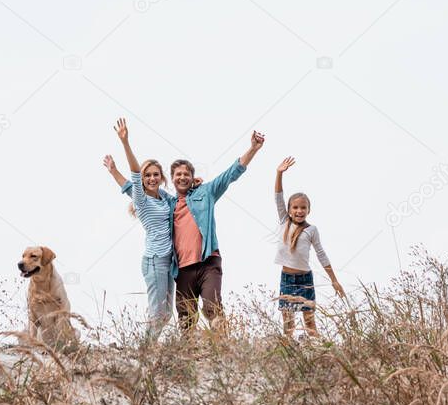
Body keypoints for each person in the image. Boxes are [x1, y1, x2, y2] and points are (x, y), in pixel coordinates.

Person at [168, 130, 265, 330]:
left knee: (213, 308)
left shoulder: (206, 192)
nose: (183, 177)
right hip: (183, 269)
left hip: (208, 262)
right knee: (186, 318)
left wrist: (253, 149)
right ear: (172, 179)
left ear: (193, 177)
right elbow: (145, 194)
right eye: (178, 174)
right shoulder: (168, 204)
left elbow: (230, 174)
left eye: (187, 174)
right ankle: (188, 357)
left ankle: (224, 350)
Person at [104, 118, 175, 336]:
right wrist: (125, 142)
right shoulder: (142, 200)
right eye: (147, 175)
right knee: (157, 314)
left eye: (155, 174)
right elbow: (133, 179)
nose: (152, 178)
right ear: (143, 179)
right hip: (155, 260)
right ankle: (146, 355)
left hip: (169, 260)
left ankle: (149, 351)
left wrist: (113, 171)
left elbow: (126, 185)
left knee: (167, 314)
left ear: (161, 177)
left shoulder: (164, 196)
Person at [274, 156, 345, 337]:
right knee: (288, 323)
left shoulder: (311, 230)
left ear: (308, 210)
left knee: (309, 322)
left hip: (305, 280)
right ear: (289, 210)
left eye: (303, 208)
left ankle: (316, 349)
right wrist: (279, 173)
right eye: (295, 207)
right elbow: (278, 196)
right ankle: (288, 353)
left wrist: (334, 280)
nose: (299, 211)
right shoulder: (284, 221)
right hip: (287, 279)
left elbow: (321, 254)